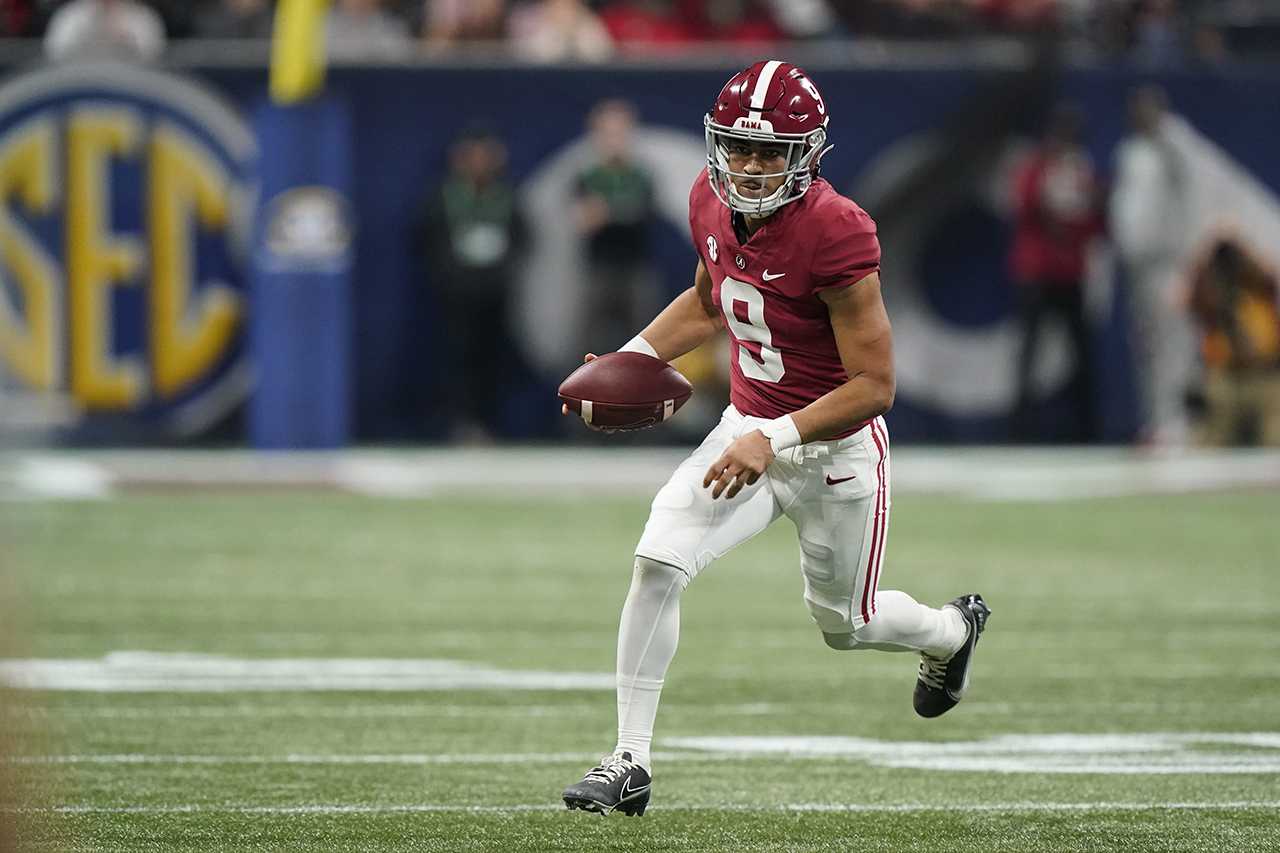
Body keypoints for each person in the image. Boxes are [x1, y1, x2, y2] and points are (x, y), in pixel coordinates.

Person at [560, 60, 991, 817]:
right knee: (659, 559)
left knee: (845, 625)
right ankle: (628, 759)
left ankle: (951, 633)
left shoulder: (836, 230)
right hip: (745, 432)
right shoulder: (706, 198)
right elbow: (708, 301)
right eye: (739, 148)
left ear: (809, 153)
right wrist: (633, 358)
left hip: (834, 451)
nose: (751, 168)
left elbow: (874, 386)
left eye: (770, 152)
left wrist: (778, 436)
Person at [419, 125, 527, 441]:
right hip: (458, 294)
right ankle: (460, 422)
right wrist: (452, 274)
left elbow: (522, 240)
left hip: (494, 293)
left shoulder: (506, 196)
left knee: (492, 360)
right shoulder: (445, 196)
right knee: (458, 358)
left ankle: (488, 423)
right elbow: (429, 241)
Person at [1009, 103, 1103, 442]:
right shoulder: (1036, 167)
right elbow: (1023, 205)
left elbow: (1094, 221)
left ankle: (1087, 429)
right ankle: (1020, 431)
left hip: (1070, 273)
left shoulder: (1081, 169)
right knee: (1029, 353)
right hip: (1038, 271)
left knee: (1081, 353)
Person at [1110, 86, 1193, 447]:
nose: (1141, 116)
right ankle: (1155, 421)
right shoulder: (1128, 152)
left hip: (1166, 263)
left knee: (1173, 345)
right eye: (1137, 110)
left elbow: (1188, 195)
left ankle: (1177, 422)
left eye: (1149, 110)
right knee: (1146, 348)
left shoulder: (1172, 149)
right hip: (1136, 267)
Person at [573, 99, 659, 357]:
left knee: (644, 342)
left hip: (635, 268)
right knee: (590, 341)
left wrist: (608, 212)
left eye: (620, 132)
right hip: (599, 269)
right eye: (607, 132)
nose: (614, 139)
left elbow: (644, 214)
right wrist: (620, 212)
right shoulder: (587, 176)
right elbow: (585, 220)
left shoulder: (641, 175)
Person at [1189, 239, 1280, 446]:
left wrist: (1245, 249)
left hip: (1266, 375)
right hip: (1225, 377)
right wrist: (1209, 254)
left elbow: (1270, 275)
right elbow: (1187, 299)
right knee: (1210, 441)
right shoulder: (1213, 286)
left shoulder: (1261, 287)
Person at [44, 0, 167, 63]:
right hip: (80, 87)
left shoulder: (142, 17)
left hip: (130, 89)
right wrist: (89, 32)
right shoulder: (70, 16)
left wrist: (126, 40)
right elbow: (55, 53)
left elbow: (155, 56)